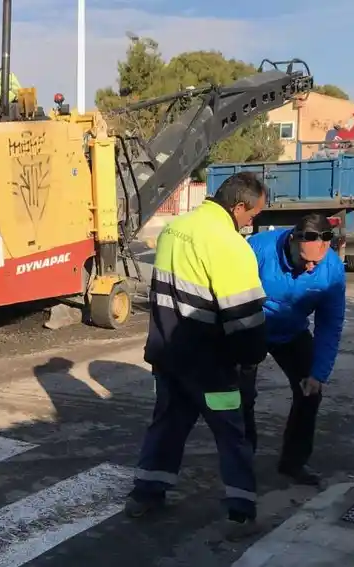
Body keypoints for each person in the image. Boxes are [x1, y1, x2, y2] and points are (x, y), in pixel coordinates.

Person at [127, 172, 270, 540]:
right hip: (211, 367)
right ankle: (241, 514)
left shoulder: (176, 229)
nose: (251, 222)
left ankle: (145, 494)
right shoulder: (228, 243)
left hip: (168, 355)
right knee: (231, 436)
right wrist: (252, 356)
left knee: (167, 426)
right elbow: (244, 315)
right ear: (238, 206)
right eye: (252, 215)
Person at [242, 213, 347, 486]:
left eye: (317, 262)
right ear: (291, 241)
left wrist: (318, 373)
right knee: (242, 396)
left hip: (291, 332)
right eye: (305, 260)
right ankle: (241, 460)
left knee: (310, 392)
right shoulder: (258, 249)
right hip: (251, 327)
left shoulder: (332, 270)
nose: (311, 268)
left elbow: (330, 324)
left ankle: (294, 462)